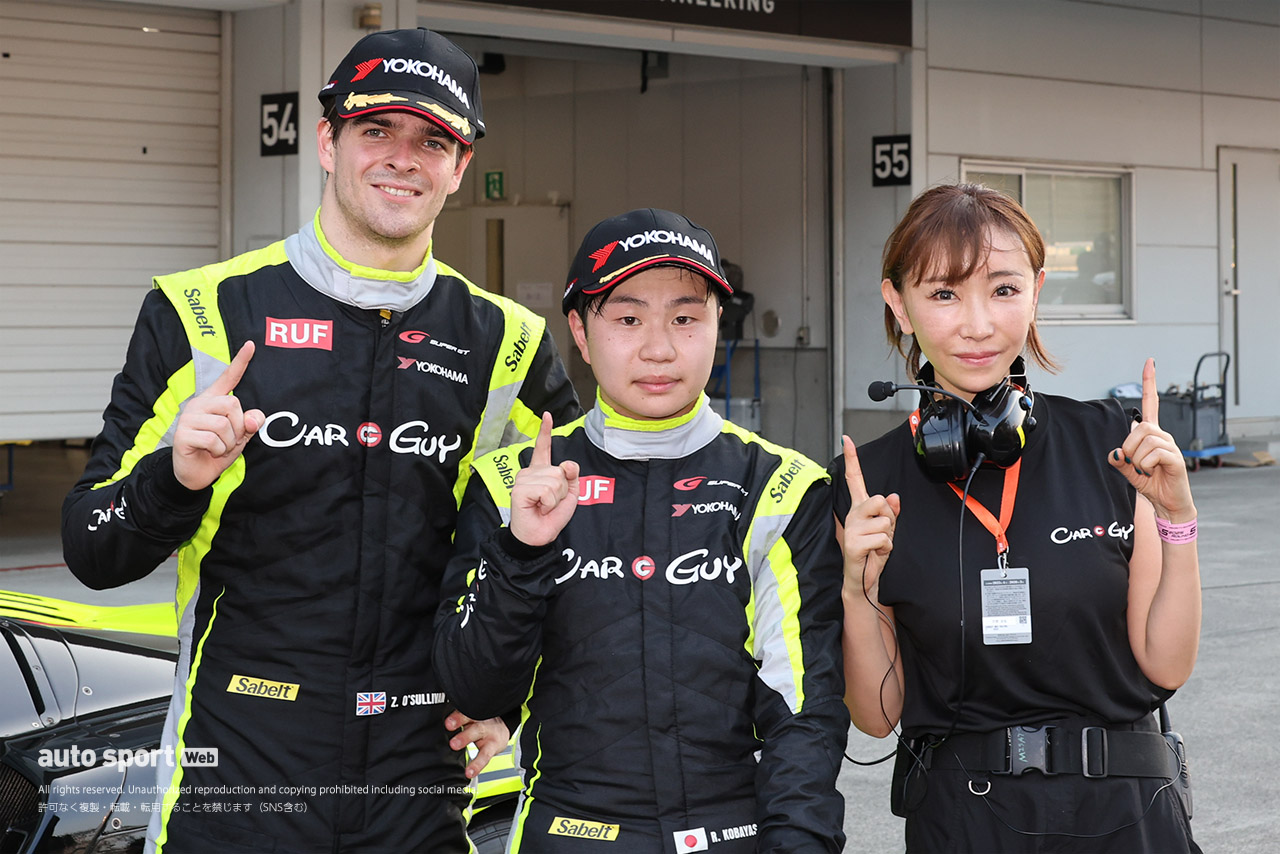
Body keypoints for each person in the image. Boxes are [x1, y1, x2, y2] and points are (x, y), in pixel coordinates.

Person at [61, 27, 580, 854]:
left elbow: (572, 559)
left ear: (460, 164)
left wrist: (509, 699)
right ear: (326, 142)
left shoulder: (507, 344)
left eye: (433, 139)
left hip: (421, 774)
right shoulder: (202, 310)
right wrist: (175, 478)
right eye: (377, 129)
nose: (402, 157)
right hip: (235, 767)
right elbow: (94, 549)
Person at [432, 209, 848, 852]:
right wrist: (521, 551)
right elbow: (473, 687)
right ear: (579, 327)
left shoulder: (781, 489)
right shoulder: (509, 483)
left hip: (730, 833)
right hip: (565, 834)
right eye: (627, 319)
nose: (659, 348)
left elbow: (803, 713)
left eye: (685, 318)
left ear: (716, 325)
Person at [834, 183, 1202, 852]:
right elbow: (877, 717)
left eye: (1002, 290)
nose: (977, 324)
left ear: (1035, 290)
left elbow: (1165, 666)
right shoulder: (868, 484)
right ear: (899, 303)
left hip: (1128, 811)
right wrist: (859, 589)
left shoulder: (1112, 445)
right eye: (943, 294)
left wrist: (1177, 521)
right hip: (963, 818)